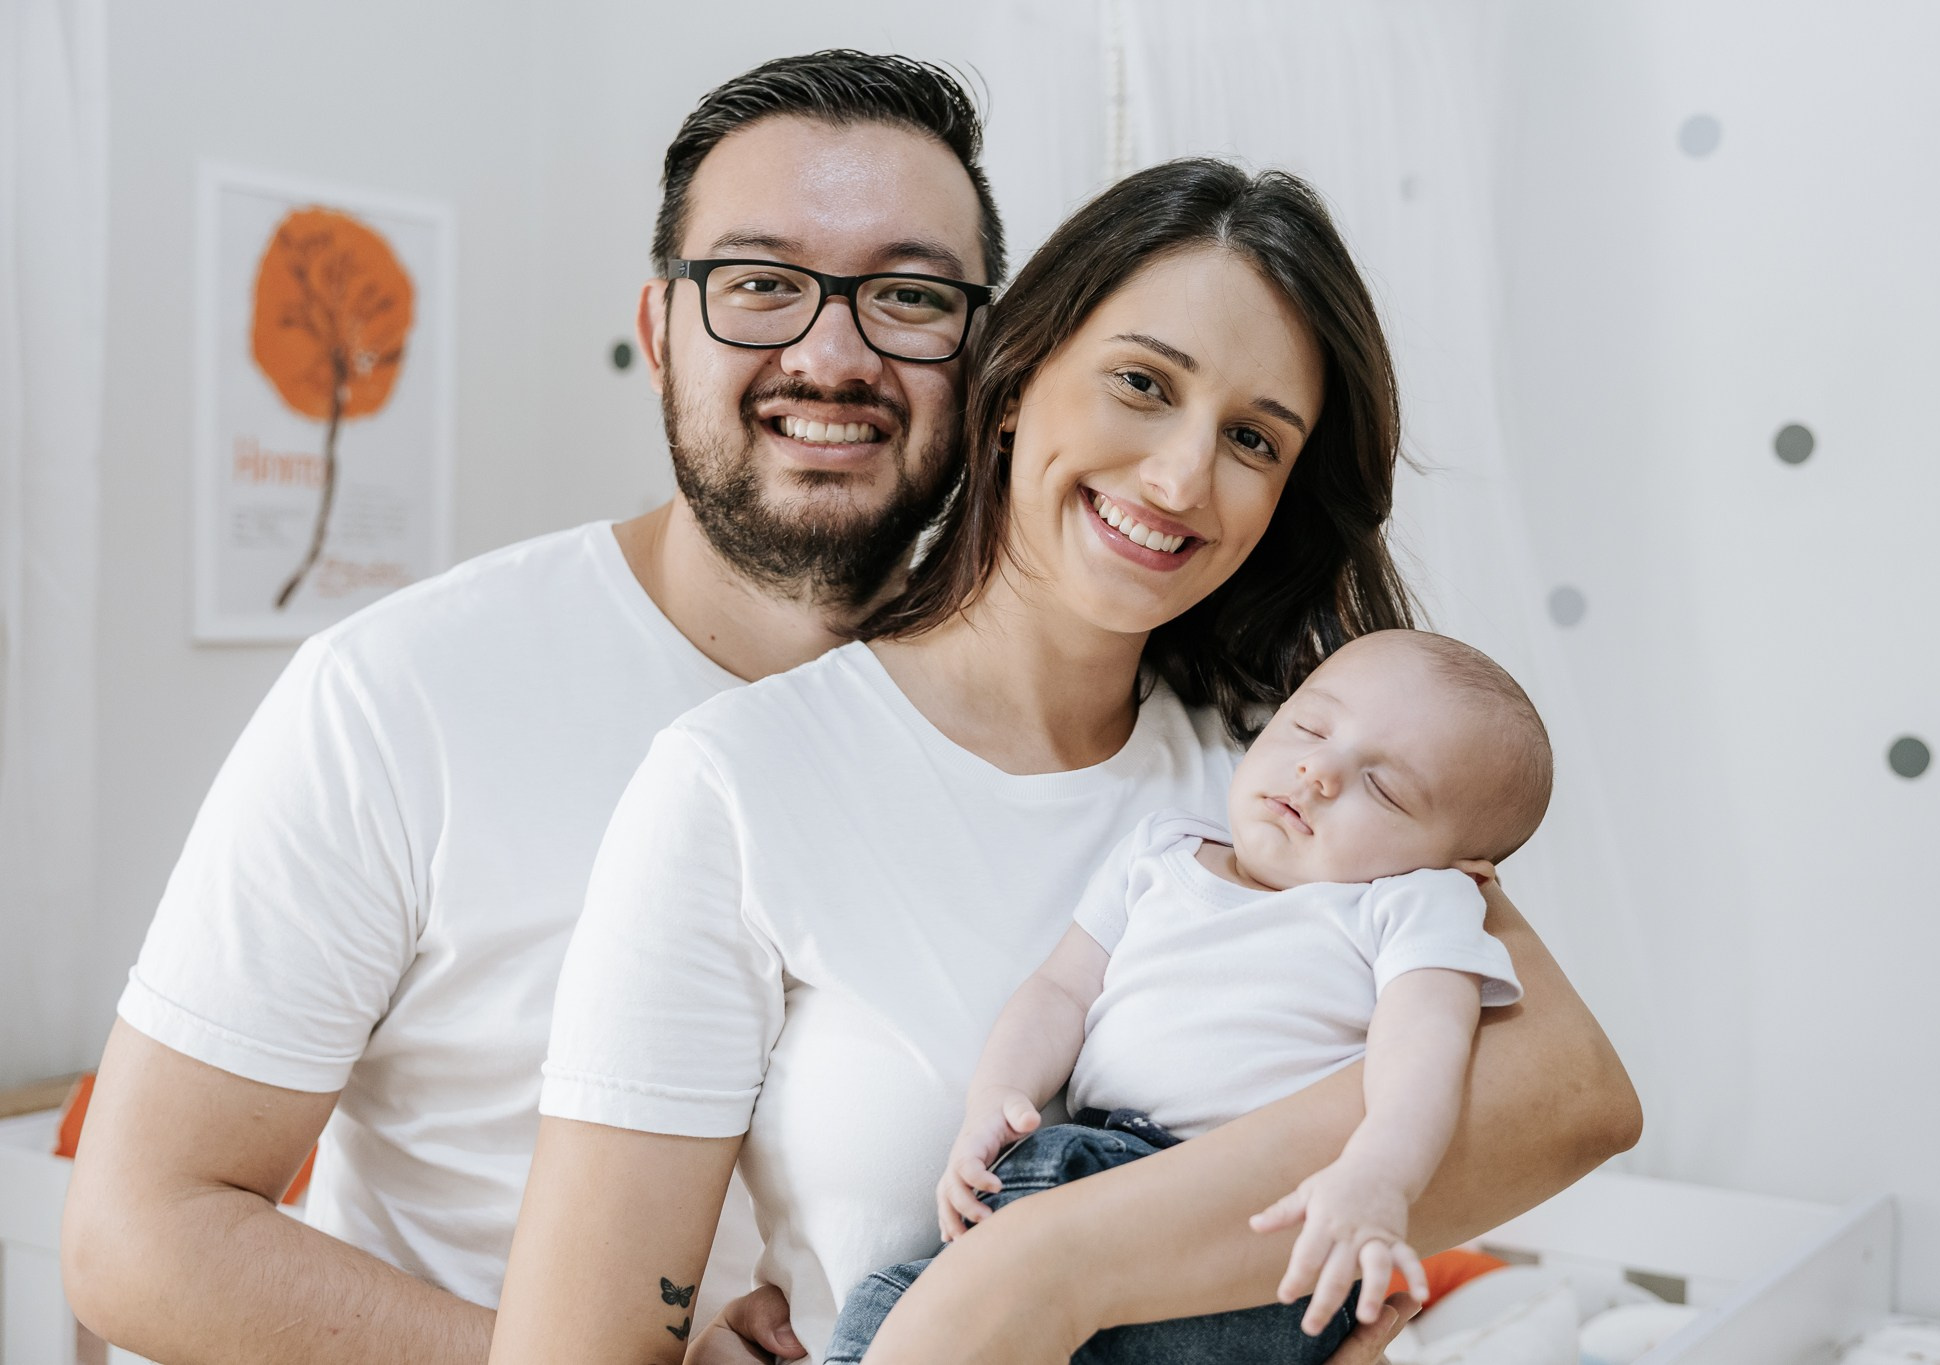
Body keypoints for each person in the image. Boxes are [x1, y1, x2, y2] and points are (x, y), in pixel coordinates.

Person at [488, 158, 1639, 1365]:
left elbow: (1573, 1098)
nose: (1182, 476)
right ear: (1012, 385)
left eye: (1251, 438)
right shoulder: (736, 782)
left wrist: (1044, 1269)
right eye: (1141, 383)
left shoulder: (1298, 761)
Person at [61, 51, 1015, 1365]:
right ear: (661, 325)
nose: (831, 351)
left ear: (990, 354)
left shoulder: (1041, 732)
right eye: (758, 284)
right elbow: (135, 1236)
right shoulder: (402, 695)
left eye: (909, 295)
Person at [828, 629, 1552, 1364]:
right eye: (1309, 725)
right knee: (887, 1310)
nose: (1321, 770)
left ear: (1466, 868)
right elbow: (1059, 989)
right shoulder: (1161, 851)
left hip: (1244, 1232)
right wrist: (996, 1099)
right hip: (1083, 1169)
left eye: (1385, 786)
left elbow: (1426, 1048)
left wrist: (1380, 1173)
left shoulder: (1409, 903)